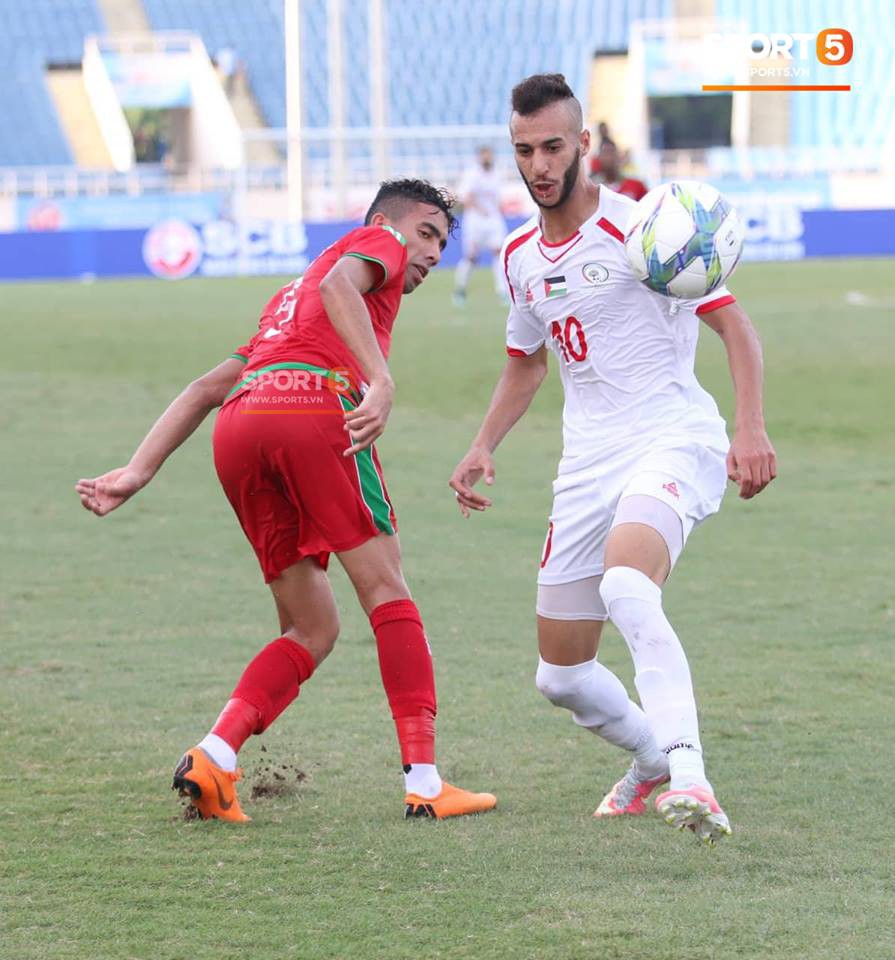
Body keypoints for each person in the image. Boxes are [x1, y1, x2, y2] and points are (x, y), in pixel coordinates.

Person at [76, 179, 497, 824]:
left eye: (443, 241)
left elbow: (204, 387)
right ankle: (426, 782)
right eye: (428, 234)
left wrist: (139, 469)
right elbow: (341, 287)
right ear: (388, 224)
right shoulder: (370, 244)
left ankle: (215, 756)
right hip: (313, 409)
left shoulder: (288, 303)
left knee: (312, 628)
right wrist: (380, 381)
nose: (435, 252)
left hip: (242, 427)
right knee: (387, 591)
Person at [449, 75, 776, 844]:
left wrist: (750, 429)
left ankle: (693, 778)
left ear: (583, 145)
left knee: (629, 584)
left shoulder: (644, 230)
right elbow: (527, 362)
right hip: (585, 466)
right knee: (558, 675)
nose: (537, 164)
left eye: (552, 146)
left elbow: (736, 330)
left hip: (671, 438)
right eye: (524, 150)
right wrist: (481, 444)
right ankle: (650, 758)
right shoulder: (519, 256)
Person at [453, 146, 508, 305]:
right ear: (479, 158)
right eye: (484, 156)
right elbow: (465, 198)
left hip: (494, 219)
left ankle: (502, 291)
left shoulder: (497, 173)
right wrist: (480, 209)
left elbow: (497, 197)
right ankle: (460, 290)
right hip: (475, 220)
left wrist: (495, 211)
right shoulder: (472, 174)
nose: (487, 158)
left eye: (489, 155)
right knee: (472, 256)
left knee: (499, 253)